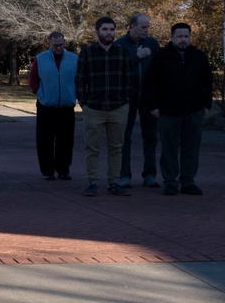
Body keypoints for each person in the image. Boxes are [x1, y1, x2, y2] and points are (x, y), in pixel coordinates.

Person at [142, 23, 213, 196]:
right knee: (169, 148)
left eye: (186, 36)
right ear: (172, 37)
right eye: (179, 36)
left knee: (191, 147)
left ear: (190, 37)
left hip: (194, 109)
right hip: (168, 110)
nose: (183, 40)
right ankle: (170, 181)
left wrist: (206, 104)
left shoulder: (199, 56)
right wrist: (153, 106)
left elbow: (207, 81)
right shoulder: (161, 57)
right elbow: (151, 83)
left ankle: (188, 180)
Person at [75, 17, 136, 197]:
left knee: (116, 147)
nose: (108, 33)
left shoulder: (122, 52)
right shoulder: (87, 53)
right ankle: (92, 182)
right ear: (97, 32)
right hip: (94, 107)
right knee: (92, 147)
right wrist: (83, 103)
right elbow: (80, 80)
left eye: (111, 29)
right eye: (105, 29)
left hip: (118, 107)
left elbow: (128, 79)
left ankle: (114, 182)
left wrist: (126, 101)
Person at [115, 13, 161, 188]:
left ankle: (150, 174)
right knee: (124, 137)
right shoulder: (120, 45)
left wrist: (158, 99)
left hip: (149, 98)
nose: (146, 30)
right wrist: (137, 56)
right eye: (143, 27)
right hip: (127, 98)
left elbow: (159, 70)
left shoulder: (152, 44)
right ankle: (124, 175)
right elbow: (118, 70)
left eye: (148, 26)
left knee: (151, 137)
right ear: (132, 26)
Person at [28, 31, 77, 180]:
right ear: (49, 43)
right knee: (45, 141)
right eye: (55, 45)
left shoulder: (73, 59)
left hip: (67, 106)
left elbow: (79, 79)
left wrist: (74, 95)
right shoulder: (40, 59)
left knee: (66, 141)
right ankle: (47, 171)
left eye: (61, 45)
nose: (58, 48)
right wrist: (41, 95)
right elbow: (33, 80)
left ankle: (63, 170)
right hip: (46, 106)